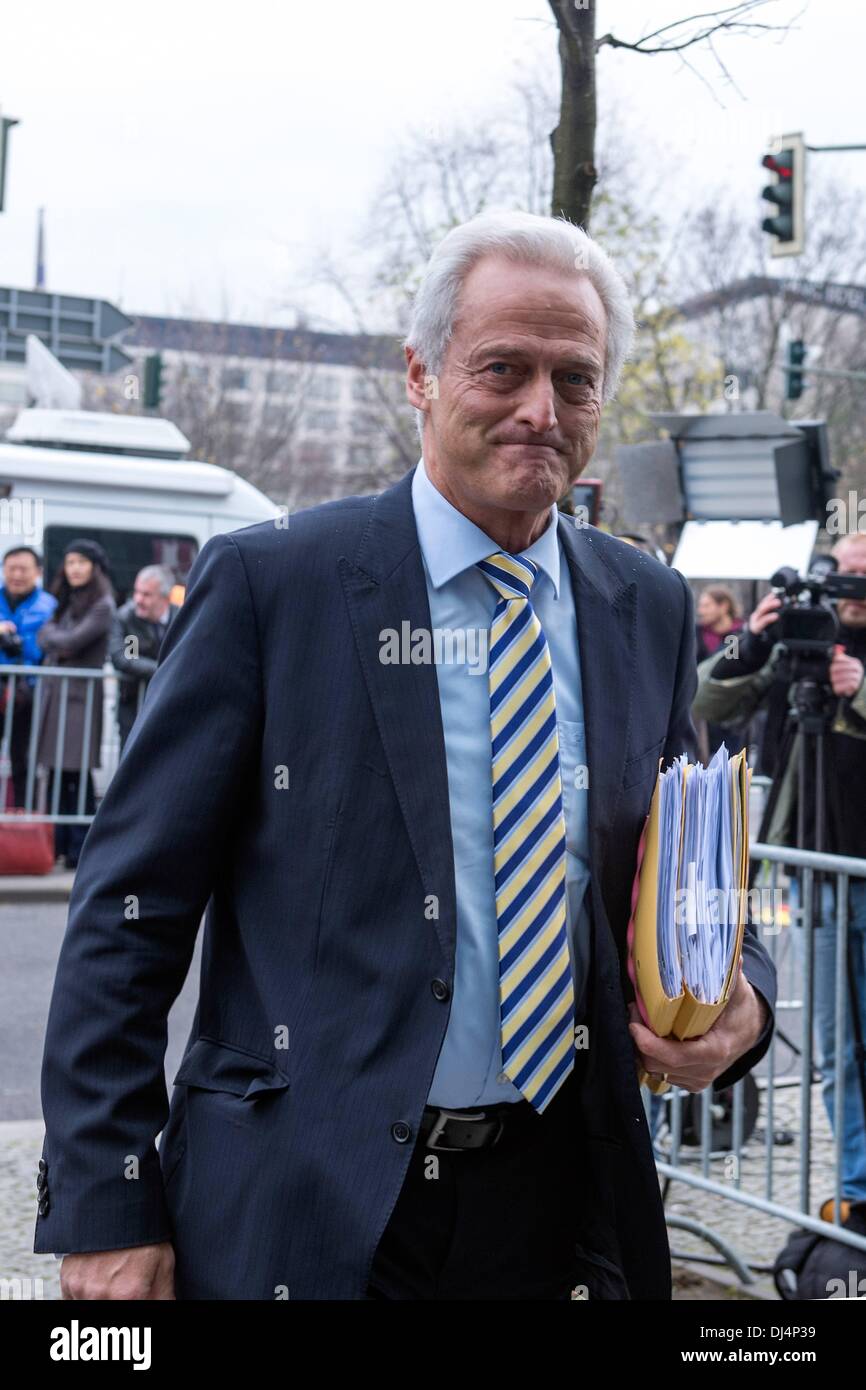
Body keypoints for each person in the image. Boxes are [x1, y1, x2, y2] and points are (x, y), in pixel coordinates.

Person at [34, 209, 775, 1302]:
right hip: (310, 1208)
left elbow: (694, 869)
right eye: (502, 368)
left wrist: (744, 1002)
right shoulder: (271, 587)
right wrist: (106, 1202)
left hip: (561, 1206)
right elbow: (125, 913)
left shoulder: (647, 608)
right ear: (420, 373)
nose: (539, 408)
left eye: (573, 378)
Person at [693, 533, 866, 1213]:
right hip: (816, 874)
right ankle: (856, 1194)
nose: (850, 591)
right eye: (843, 575)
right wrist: (752, 643)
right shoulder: (801, 642)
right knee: (838, 1047)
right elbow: (708, 704)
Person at [35, 539, 116, 868]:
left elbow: (69, 640)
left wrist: (53, 639)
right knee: (56, 773)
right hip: (59, 699)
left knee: (77, 774)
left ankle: (80, 849)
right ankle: (57, 846)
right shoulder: (66, 601)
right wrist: (54, 639)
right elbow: (48, 636)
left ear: (95, 567)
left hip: (81, 699)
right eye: (70, 563)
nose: (75, 569)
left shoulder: (103, 604)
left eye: (81, 562)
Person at [0, 546, 57, 807]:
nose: (17, 574)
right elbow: (128, 651)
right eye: (11, 568)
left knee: (24, 759)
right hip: (5, 691)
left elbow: (52, 645)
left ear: (38, 572)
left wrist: (19, 642)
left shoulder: (49, 605)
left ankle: (27, 826)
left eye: (24, 568)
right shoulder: (131, 623)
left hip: (30, 694)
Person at [109, 566, 180, 752]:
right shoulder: (128, 618)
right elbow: (127, 658)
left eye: (147, 594)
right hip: (133, 705)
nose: (138, 599)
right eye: (137, 592)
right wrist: (163, 669)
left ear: (164, 597)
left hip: (170, 703)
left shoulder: (181, 617)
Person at [695, 585, 746, 758]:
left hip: (729, 716)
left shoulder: (737, 635)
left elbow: (734, 667)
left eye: (706, 605)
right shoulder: (696, 634)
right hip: (699, 712)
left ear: (723, 606)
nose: (701, 611)